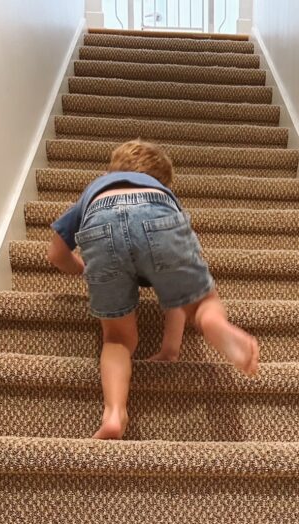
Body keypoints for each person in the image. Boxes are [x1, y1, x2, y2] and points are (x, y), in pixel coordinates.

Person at [47, 139, 259, 439]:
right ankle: (210, 321)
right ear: (162, 180)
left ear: (113, 169)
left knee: (117, 337)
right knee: (194, 299)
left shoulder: (98, 188)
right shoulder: (161, 193)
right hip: (158, 217)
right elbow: (173, 291)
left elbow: (55, 254)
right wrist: (170, 349)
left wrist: (82, 267)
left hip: (100, 221)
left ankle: (114, 414)